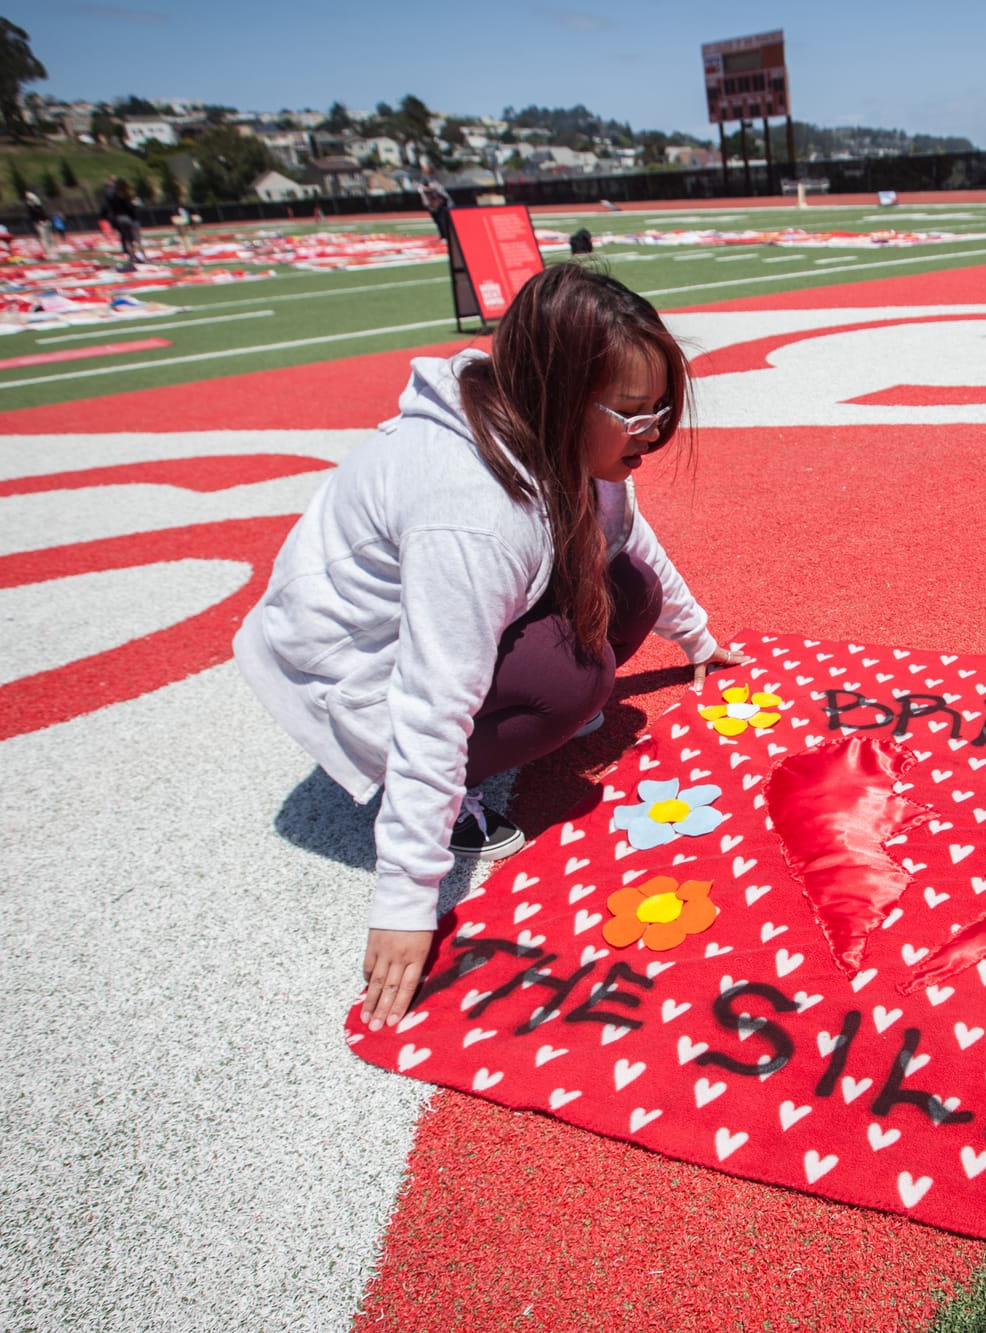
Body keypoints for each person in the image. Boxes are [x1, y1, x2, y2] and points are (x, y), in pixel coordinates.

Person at [233, 264, 748, 1031]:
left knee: (626, 590)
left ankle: (522, 706)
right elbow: (433, 699)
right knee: (577, 680)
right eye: (633, 412)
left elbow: (627, 538)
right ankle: (468, 781)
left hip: (434, 618)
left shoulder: (558, 436)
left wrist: (699, 636)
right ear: (560, 397)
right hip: (351, 671)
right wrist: (408, 898)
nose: (654, 432)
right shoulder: (473, 511)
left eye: (662, 409)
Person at [102, 176, 145, 267]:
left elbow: (108, 207)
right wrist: (136, 206)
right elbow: (130, 208)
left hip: (119, 218)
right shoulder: (125, 196)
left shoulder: (112, 196)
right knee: (137, 239)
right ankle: (144, 257)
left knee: (127, 239)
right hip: (129, 218)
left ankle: (132, 257)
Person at [419, 175, 453, 242]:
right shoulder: (422, 189)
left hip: (441, 205)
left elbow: (444, 196)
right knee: (437, 221)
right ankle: (442, 235)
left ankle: (446, 235)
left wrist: (442, 204)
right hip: (432, 206)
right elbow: (425, 200)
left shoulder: (435, 186)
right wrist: (430, 206)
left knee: (442, 220)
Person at [25, 190, 57, 258]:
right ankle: (48, 253)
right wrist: (37, 222)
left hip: (46, 222)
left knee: (49, 237)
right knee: (44, 238)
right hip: (40, 224)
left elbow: (35, 200)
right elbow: (32, 216)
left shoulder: (38, 205)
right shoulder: (30, 207)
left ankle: (52, 252)